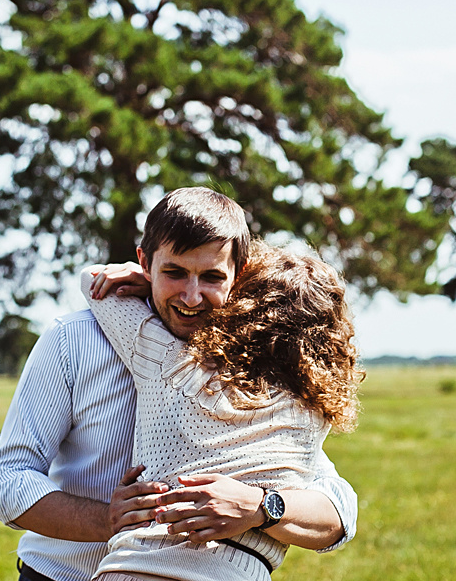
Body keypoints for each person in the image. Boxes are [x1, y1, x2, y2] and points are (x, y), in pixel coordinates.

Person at [0, 188, 358, 581]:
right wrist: (107, 520)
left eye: (211, 276)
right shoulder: (74, 339)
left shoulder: (254, 366)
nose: (192, 297)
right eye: (175, 272)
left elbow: (337, 508)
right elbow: (7, 480)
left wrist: (260, 505)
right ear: (144, 262)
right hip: (55, 576)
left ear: (238, 272)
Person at [82, 235, 362, 581]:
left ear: (238, 307)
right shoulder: (313, 416)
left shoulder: (172, 365)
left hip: (132, 569)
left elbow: (94, 282)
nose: (194, 296)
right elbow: (344, 514)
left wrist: (154, 281)